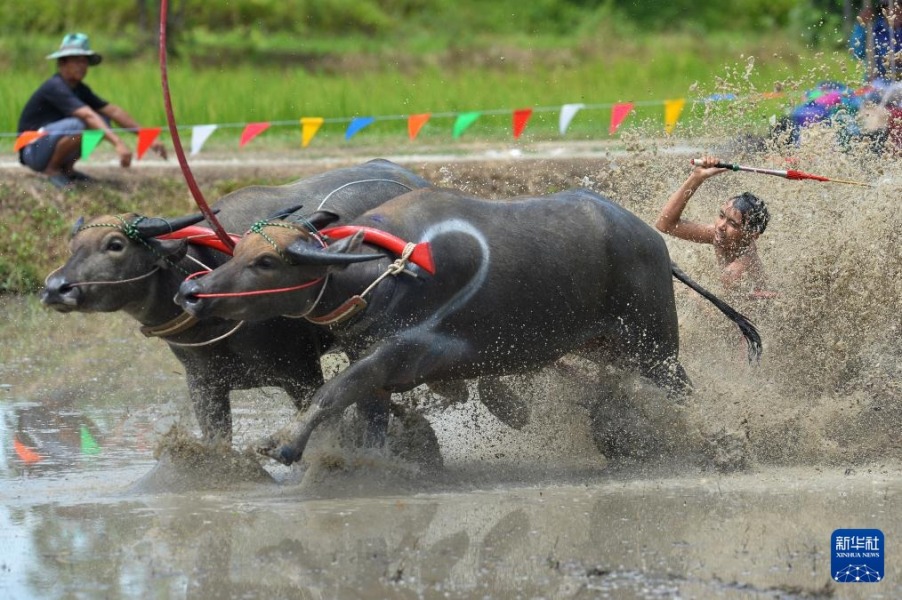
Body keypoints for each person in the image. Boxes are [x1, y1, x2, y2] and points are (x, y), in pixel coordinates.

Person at [17, 33, 167, 189]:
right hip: (32, 151)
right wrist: (118, 143)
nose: (82, 66)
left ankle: (68, 169)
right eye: (76, 61)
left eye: (84, 61)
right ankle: (52, 170)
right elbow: (87, 115)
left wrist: (146, 135)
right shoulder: (55, 86)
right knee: (81, 124)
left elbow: (113, 111)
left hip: (47, 147)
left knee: (103, 121)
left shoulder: (80, 89)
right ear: (62, 63)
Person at [655, 156, 775, 299]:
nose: (721, 226)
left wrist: (688, 292)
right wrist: (696, 177)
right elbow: (665, 224)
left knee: (690, 293)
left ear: (752, 235)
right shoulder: (717, 234)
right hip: (735, 300)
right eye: (721, 215)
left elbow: (726, 290)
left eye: (733, 224)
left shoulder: (747, 257)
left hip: (753, 307)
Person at [848, 0, 902, 83]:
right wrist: (861, 26)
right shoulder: (874, 29)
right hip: (879, 82)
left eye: (899, 4)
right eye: (887, 6)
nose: (895, 10)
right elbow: (856, 54)